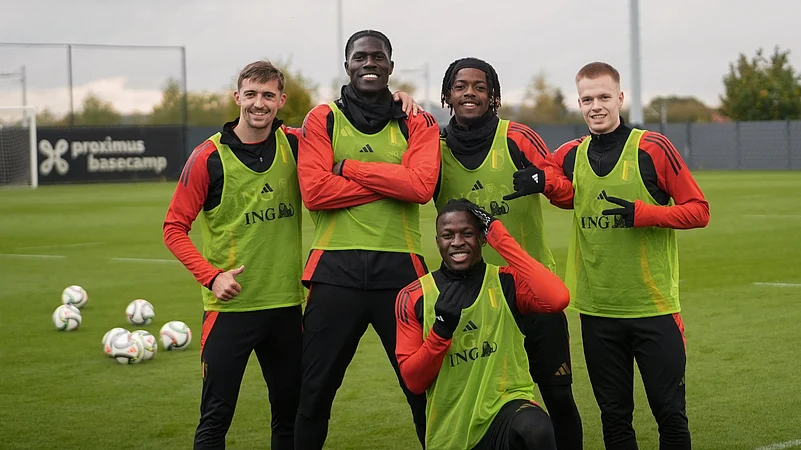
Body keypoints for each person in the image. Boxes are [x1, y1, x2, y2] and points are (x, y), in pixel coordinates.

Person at [543, 62, 710, 450]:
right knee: (614, 418)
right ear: (579, 103)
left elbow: (699, 210)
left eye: (604, 97)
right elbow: (551, 181)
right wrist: (541, 182)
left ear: (620, 98)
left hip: (653, 309)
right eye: (587, 99)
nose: (596, 106)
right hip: (597, 311)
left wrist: (646, 213)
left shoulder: (652, 147)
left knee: (670, 414)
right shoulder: (570, 154)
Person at [295, 29, 440, 449]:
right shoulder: (322, 118)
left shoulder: (418, 120)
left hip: (401, 273)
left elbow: (422, 188)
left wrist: (350, 168)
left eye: (378, 57)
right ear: (348, 66)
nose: (369, 64)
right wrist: (395, 182)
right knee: (314, 394)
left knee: (423, 393)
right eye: (360, 57)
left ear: (391, 67)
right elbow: (316, 193)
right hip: (333, 273)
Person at [434, 57, 583, 449]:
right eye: (461, 86)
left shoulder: (517, 137)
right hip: (474, 300)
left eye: (480, 87)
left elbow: (568, 193)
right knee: (473, 404)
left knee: (559, 396)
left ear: (493, 95)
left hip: (532, 291)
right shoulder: (433, 147)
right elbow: (410, 186)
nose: (470, 93)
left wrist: (543, 182)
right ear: (448, 94)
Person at [163, 60, 303, 449]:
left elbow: (347, 129)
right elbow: (173, 228)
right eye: (252, 94)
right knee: (215, 419)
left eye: (268, 95)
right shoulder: (207, 157)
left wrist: (400, 99)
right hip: (229, 310)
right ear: (237, 96)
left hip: (286, 306)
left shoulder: (295, 144)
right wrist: (212, 275)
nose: (259, 103)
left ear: (281, 101)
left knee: (290, 418)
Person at [395, 198, 570, 450]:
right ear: (437, 242)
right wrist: (441, 330)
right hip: (452, 430)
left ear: (482, 238)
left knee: (537, 430)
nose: (457, 242)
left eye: (467, 233)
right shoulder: (413, 296)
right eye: (447, 235)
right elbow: (414, 381)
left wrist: (501, 237)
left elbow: (557, 298)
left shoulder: (505, 282)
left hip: (506, 406)